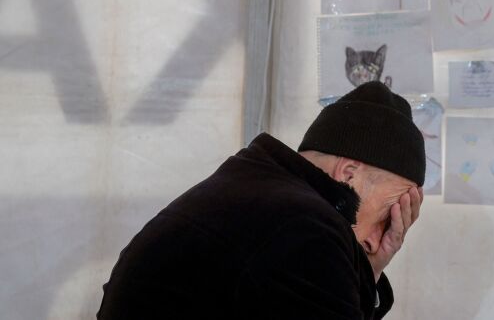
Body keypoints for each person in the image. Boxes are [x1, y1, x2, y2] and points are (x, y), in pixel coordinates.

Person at [96, 81, 425, 319]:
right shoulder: (306, 227)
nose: (375, 240)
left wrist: (371, 269)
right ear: (349, 173)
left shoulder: (254, 188)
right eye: (387, 214)